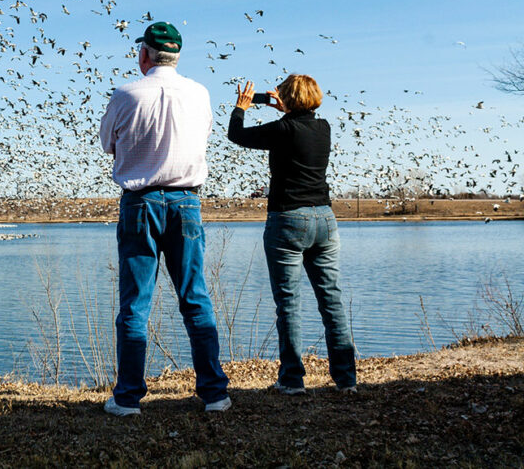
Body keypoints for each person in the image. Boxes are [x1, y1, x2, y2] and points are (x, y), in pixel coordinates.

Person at [99, 22, 231, 415]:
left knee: (135, 304)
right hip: (187, 203)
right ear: (177, 55)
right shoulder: (200, 93)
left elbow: (108, 143)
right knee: (195, 297)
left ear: (144, 54)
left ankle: (127, 398)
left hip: (140, 203)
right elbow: (203, 135)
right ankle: (214, 394)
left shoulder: (126, 94)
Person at [229, 76, 357, 395]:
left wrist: (241, 107)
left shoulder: (283, 130)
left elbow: (237, 135)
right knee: (331, 299)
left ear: (287, 99)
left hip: (288, 218)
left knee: (288, 302)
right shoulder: (323, 127)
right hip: (325, 219)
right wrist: (285, 109)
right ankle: (346, 379)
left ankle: (292, 379)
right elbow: (297, 126)